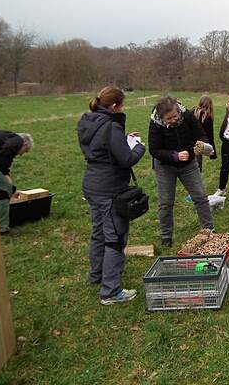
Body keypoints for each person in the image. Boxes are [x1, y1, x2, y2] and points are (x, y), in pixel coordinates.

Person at [77, 86, 145, 305]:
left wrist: (124, 138)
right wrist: (139, 148)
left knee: (98, 232)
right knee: (115, 237)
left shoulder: (88, 120)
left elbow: (102, 146)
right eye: (122, 105)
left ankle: (96, 275)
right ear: (115, 106)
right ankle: (111, 291)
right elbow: (126, 159)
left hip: (92, 183)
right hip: (109, 187)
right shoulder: (111, 126)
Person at [149, 96, 214, 247]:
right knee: (165, 203)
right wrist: (174, 156)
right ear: (161, 117)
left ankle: (209, 229)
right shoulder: (155, 124)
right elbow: (154, 149)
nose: (173, 120)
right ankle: (166, 236)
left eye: (175, 116)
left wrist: (204, 146)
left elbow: (200, 134)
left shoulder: (187, 116)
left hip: (189, 164)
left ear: (178, 111)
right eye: (168, 118)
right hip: (165, 166)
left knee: (200, 197)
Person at [192, 95, 217, 172]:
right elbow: (210, 134)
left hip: (188, 142)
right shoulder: (208, 117)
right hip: (198, 144)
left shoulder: (192, 112)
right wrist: (212, 151)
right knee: (197, 168)